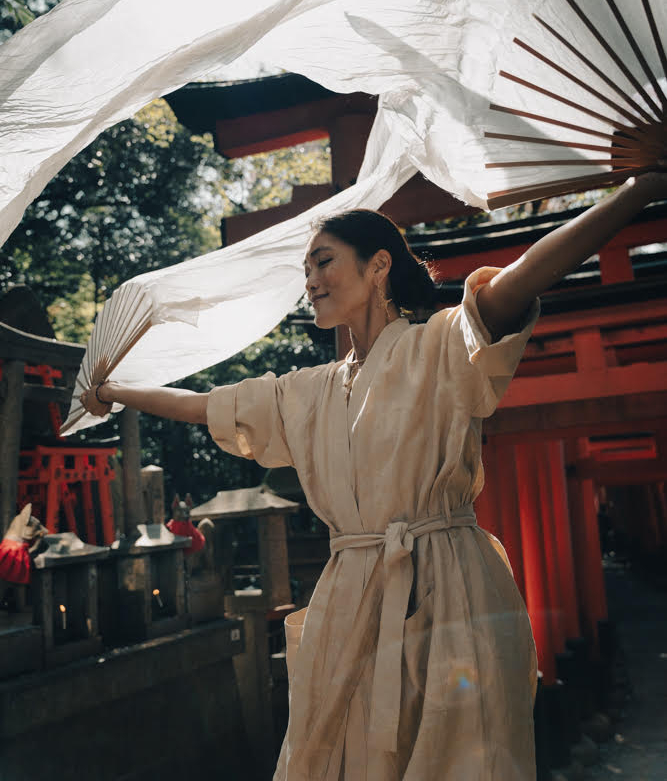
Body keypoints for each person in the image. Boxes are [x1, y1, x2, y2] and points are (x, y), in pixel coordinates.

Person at [81, 172, 665, 781]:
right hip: (351, 594)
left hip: (447, 582)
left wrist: (639, 189)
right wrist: (114, 390)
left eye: (324, 262)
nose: (311, 282)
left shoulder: (439, 344)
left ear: (379, 265)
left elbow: (523, 278)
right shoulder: (308, 391)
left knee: (458, 753)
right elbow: (206, 404)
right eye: (306, 270)